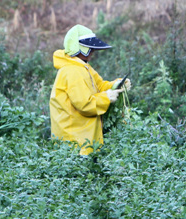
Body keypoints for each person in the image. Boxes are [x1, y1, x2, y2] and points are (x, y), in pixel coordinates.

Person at [49, 24, 131, 155]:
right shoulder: (73, 71)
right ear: (78, 48)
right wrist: (107, 97)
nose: (92, 52)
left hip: (84, 138)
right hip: (74, 142)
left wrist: (116, 85)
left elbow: (100, 86)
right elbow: (84, 104)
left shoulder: (83, 67)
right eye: (90, 48)